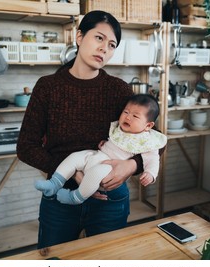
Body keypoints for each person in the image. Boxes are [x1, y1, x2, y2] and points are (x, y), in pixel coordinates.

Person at [17, 10, 163, 249]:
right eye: (99, 38)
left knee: (107, 264)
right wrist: (73, 173)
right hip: (60, 197)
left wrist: (131, 166)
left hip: (109, 198)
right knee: (55, 263)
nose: (105, 48)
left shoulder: (118, 90)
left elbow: (156, 141)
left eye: (112, 44)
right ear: (79, 37)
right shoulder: (48, 87)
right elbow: (26, 147)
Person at [34, 94, 167, 205]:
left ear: (148, 125)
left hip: (110, 169)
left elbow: (153, 159)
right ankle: (55, 183)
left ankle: (75, 197)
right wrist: (105, 144)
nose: (127, 117)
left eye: (135, 116)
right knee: (75, 157)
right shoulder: (120, 128)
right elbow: (113, 141)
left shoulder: (147, 141)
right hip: (97, 155)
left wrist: (150, 174)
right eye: (126, 112)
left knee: (95, 173)